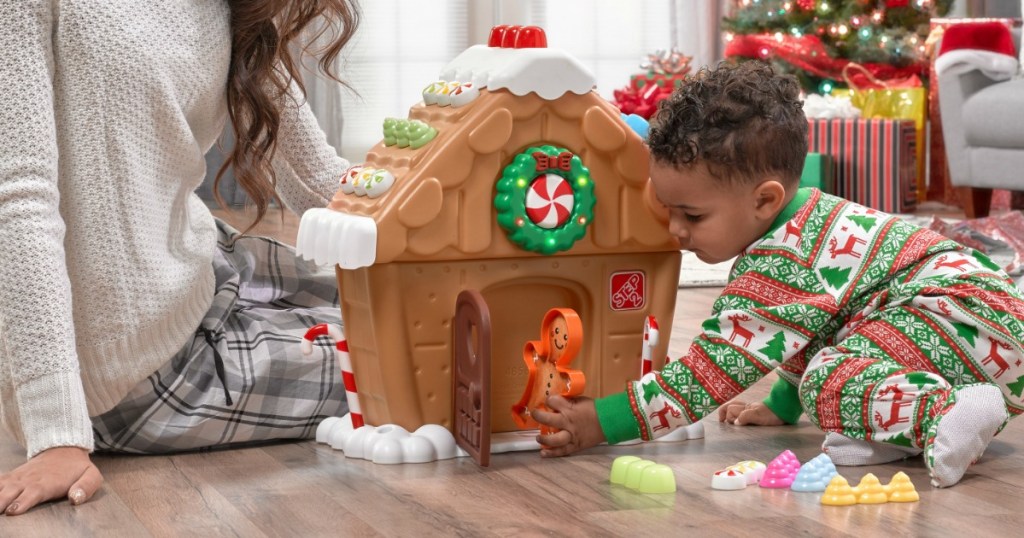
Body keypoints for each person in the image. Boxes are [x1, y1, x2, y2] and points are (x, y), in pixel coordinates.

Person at [532, 60, 1023, 489]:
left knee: (829, 383)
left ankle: (944, 414)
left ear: (763, 199)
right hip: (972, 322)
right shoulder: (801, 218)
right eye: (668, 210)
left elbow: (708, 372)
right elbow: (813, 324)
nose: (675, 230)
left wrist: (604, 421)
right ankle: (908, 424)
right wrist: (783, 404)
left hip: (964, 320)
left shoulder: (780, 262)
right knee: (834, 366)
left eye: (692, 215)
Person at [0, 0, 359, 515]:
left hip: (201, 271)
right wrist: (57, 434)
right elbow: (18, 199)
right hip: (131, 370)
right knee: (421, 358)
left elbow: (320, 180)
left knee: (436, 312)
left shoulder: (235, 6)